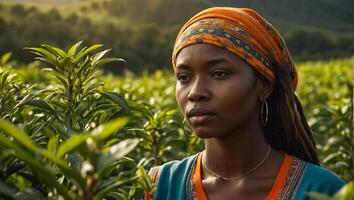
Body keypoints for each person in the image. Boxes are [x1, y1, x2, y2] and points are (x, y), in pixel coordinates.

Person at [145, 7, 345, 200]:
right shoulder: (157, 186)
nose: (196, 92)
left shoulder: (323, 190)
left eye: (219, 74)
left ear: (265, 85)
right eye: (184, 77)